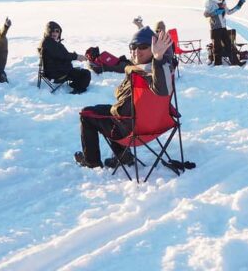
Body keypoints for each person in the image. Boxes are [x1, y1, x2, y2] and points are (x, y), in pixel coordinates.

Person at [74, 27, 174, 168]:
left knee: (87, 114)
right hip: (155, 124)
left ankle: (91, 161)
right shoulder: (163, 69)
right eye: (133, 47)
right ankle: (123, 156)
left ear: (153, 49)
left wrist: (158, 58)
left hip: (132, 130)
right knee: (108, 112)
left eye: (143, 47)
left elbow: (162, 90)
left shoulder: (151, 72)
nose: (136, 51)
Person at [40, 21, 91, 94]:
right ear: (48, 31)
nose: (55, 33)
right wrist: (77, 57)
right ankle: (78, 89)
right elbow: (64, 55)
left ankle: (74, 84)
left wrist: (75, 57)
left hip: (55, 71)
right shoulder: (50, 44)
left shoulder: (48, 42)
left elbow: (61, 55)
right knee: (86, 74)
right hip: (58, 74)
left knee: (79, 70)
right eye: (52, 31)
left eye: (57, 31)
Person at [203, 0, 246, 66]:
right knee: (217, 47)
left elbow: (228, 12)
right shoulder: (210, 0)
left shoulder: (223, 1)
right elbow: (205, 14)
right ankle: (217, 64)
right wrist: (216, 12)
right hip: (215, 27)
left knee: (229, 45)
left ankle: (236, 62)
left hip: (223, 27)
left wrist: (238, 6)